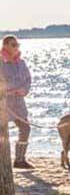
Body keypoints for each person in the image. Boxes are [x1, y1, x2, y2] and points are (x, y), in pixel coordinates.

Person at [1, 35, 33, 170]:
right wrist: (7, 90)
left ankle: (19, 160)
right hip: (3, 102)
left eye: (17, 45)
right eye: (13, 45)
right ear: (5, 46)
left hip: (19, 101)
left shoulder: (21, 63)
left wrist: (24, 90)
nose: (16, 48)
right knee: (2, 132)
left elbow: (28, 79)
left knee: (25, 128)